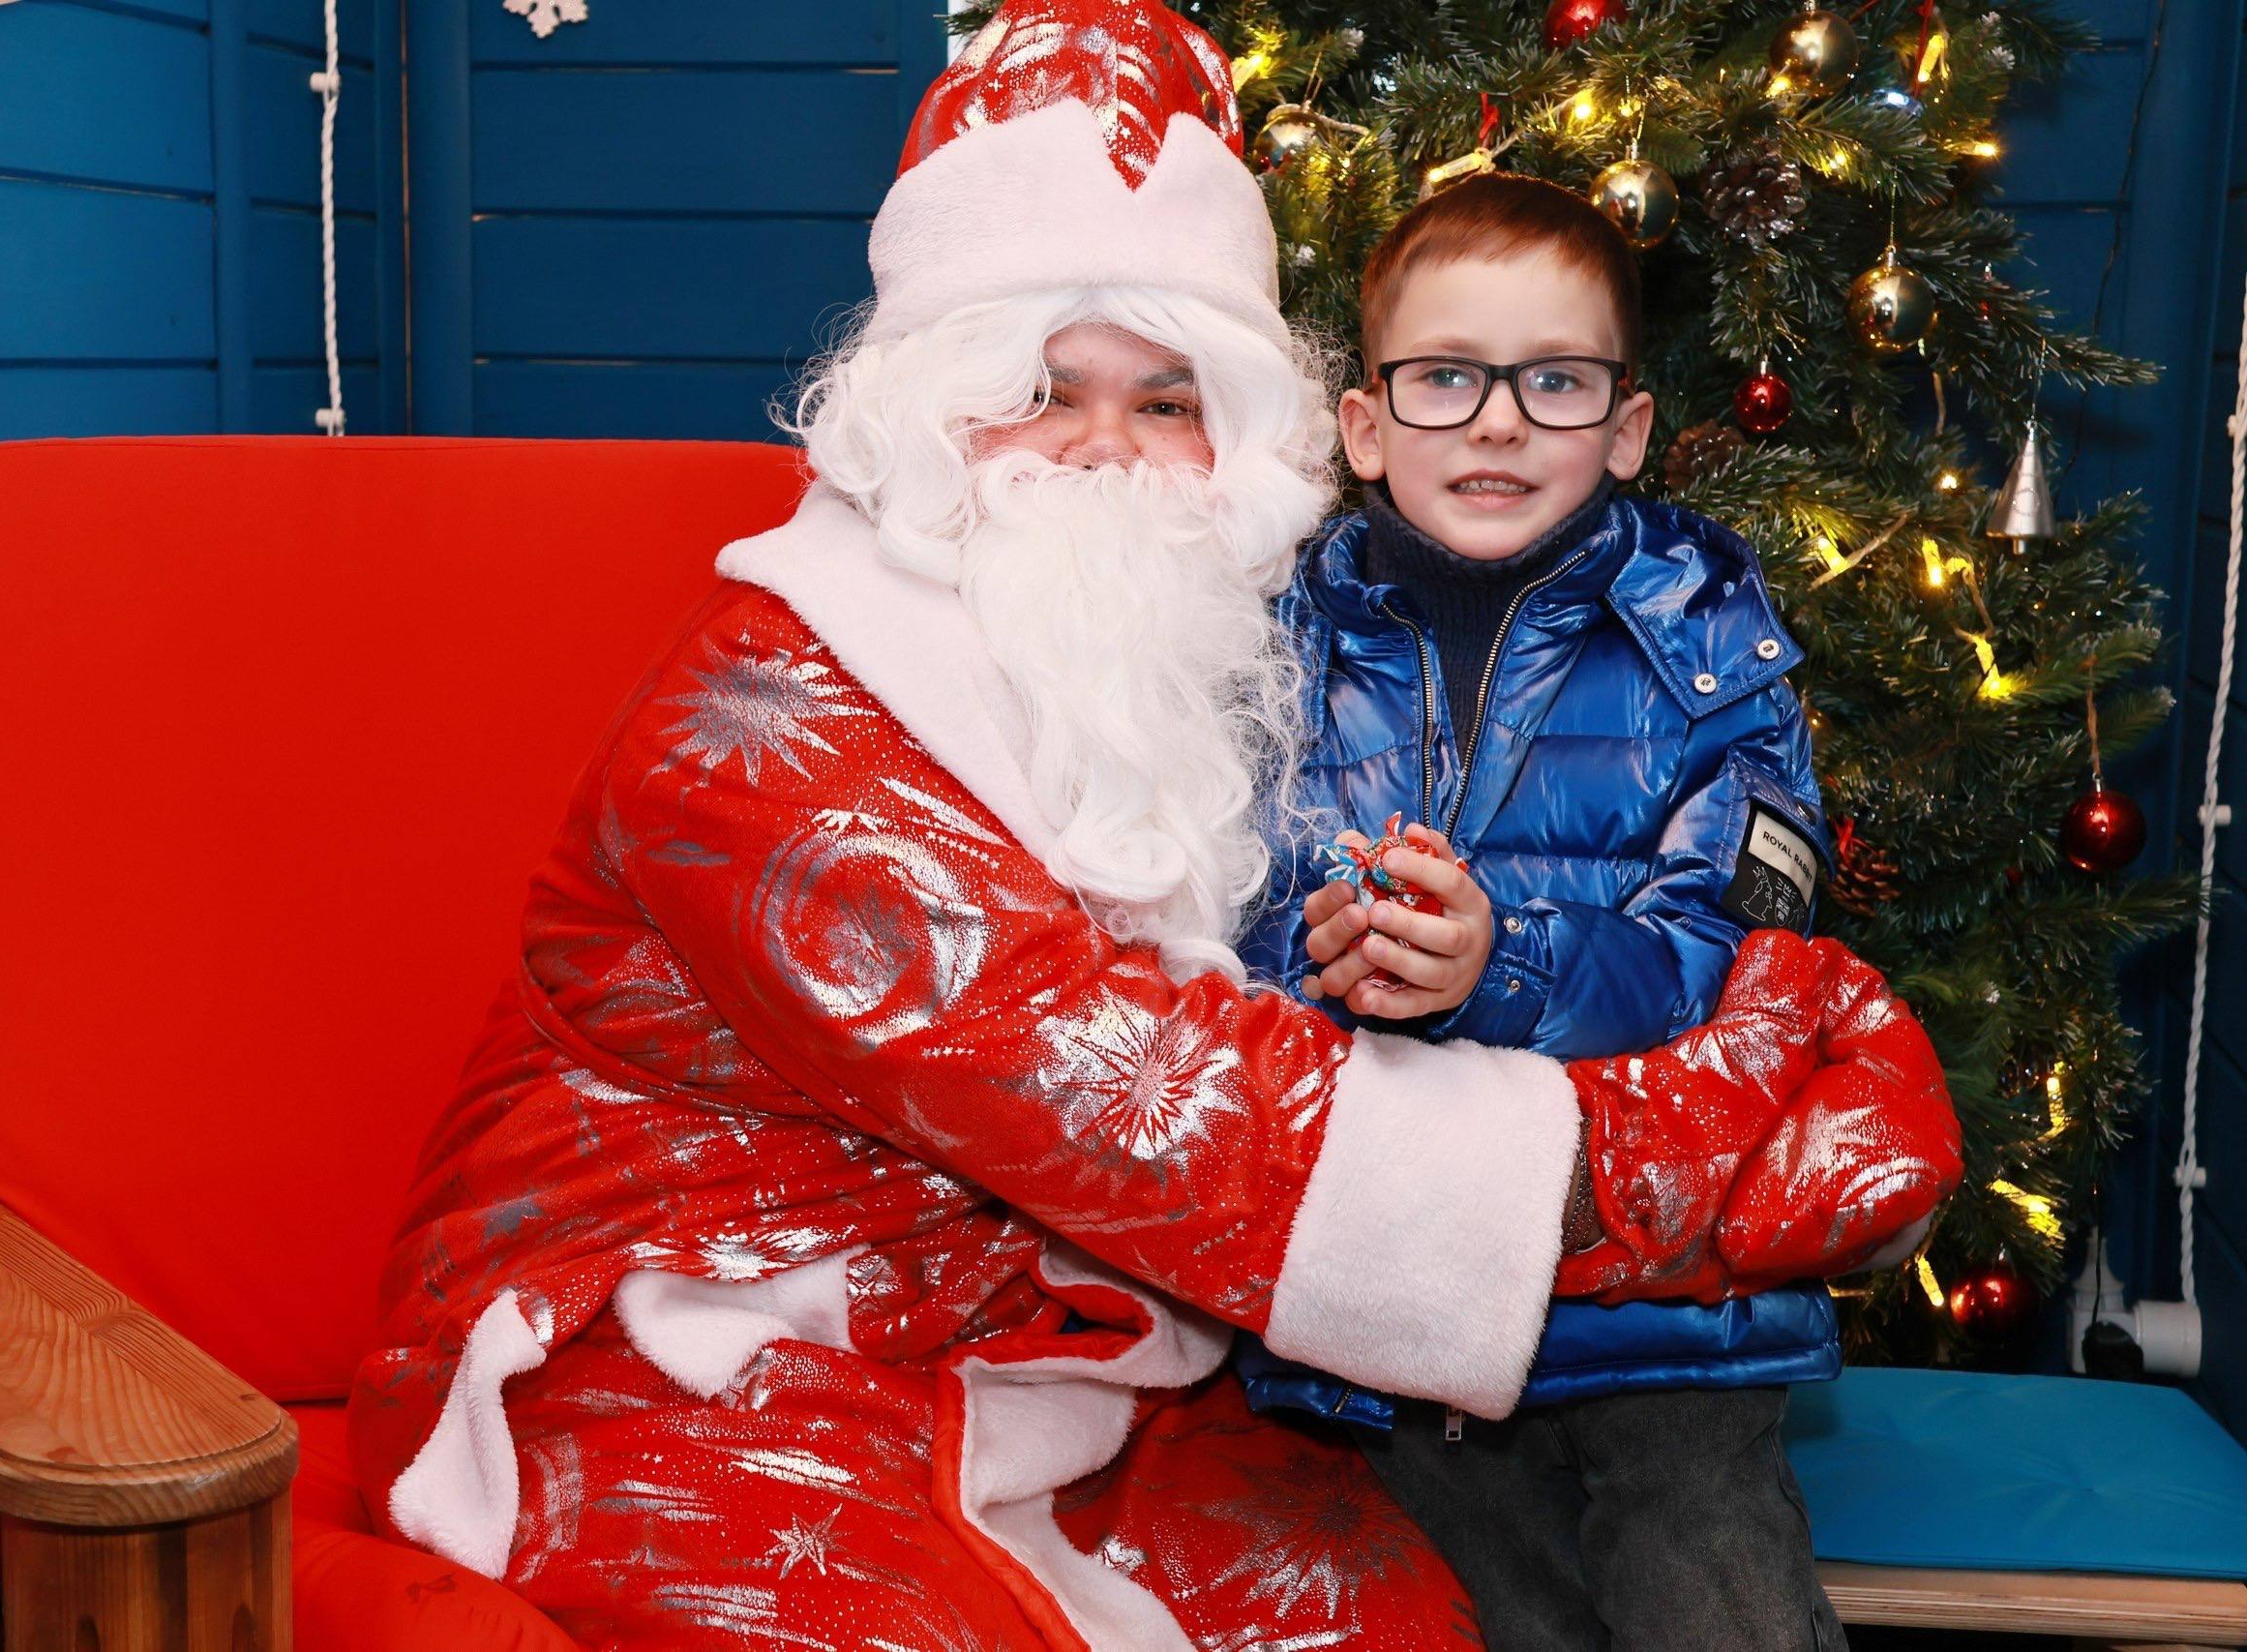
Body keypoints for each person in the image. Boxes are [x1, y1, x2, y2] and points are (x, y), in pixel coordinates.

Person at [345, 6, 1962, 1647]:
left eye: (1169, 402)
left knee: (1398, 1618)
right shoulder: (772, 717)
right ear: (926, 412)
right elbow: (1149, 1102)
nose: (1106, 452)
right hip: (673, 1342)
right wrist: (1729, 1144)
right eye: (1041, 391)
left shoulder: (1173, 669)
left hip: (1044, 1340)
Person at [1235, 173, 1868, 1651]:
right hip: (1390, 1286)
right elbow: (1196, 923)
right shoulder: (1274, 642)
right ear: (1365, 426)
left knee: (1716, 1597)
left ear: (1626, 427)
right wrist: (1320, 955)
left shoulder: (1710, 646)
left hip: (1654, 1294)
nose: (1500, 423)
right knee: (1478, 1610)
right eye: (1447, 377)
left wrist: (1498, 965)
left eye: (1556, 381)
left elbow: (1739, 954)